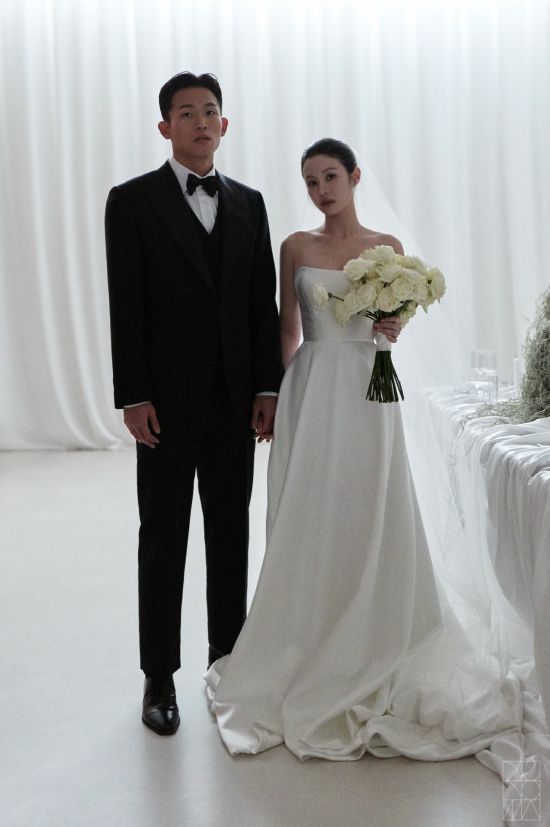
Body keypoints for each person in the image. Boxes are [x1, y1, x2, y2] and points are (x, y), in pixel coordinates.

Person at [205, 138, 521, 761]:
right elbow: (288, 329)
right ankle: (307, 631)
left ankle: (374, 630)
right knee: (312, 508)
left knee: (369, 502)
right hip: (313, 387)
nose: (320, 190)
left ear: (353, 177)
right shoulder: (296, 246)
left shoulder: (387, 248)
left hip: (369, 393)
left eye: (330, 177)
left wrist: (392, 328)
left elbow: (390, 331)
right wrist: (276, 395)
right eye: (310, 181)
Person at [105, 72, 283, 736]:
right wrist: (134, 395)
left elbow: (262, 305)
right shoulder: (131, 201)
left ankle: (226, 662)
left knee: (230, 532)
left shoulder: (250, 203)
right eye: (186, 112)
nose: (200, 121)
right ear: (165, 127)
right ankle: (159, 675)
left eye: (210, 111)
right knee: (163, 536)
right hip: (166, 406)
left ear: (224, 125)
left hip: (235, 402)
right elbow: (126, 303)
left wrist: (266, 388)